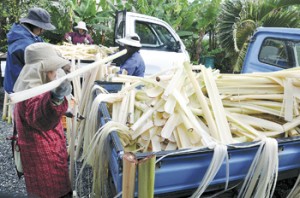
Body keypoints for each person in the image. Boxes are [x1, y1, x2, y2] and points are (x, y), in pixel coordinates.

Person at [13, 43, 73, 198]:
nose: (55, 73)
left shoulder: (33, 86)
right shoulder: (31, 92)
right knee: (52, 192)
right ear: (41, 70)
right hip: (43, 161)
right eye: (52, 69)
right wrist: (56, 98)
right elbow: (40, 118)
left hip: (48, 153)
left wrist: (63, 108)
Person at [4, 7, 55, 94]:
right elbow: (39, 58)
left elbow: (40, 43)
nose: (44, 31)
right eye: (43, 28)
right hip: (18, 87)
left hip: (18, 82)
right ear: (38, 27)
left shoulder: (25, 34)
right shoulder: (24, 43)